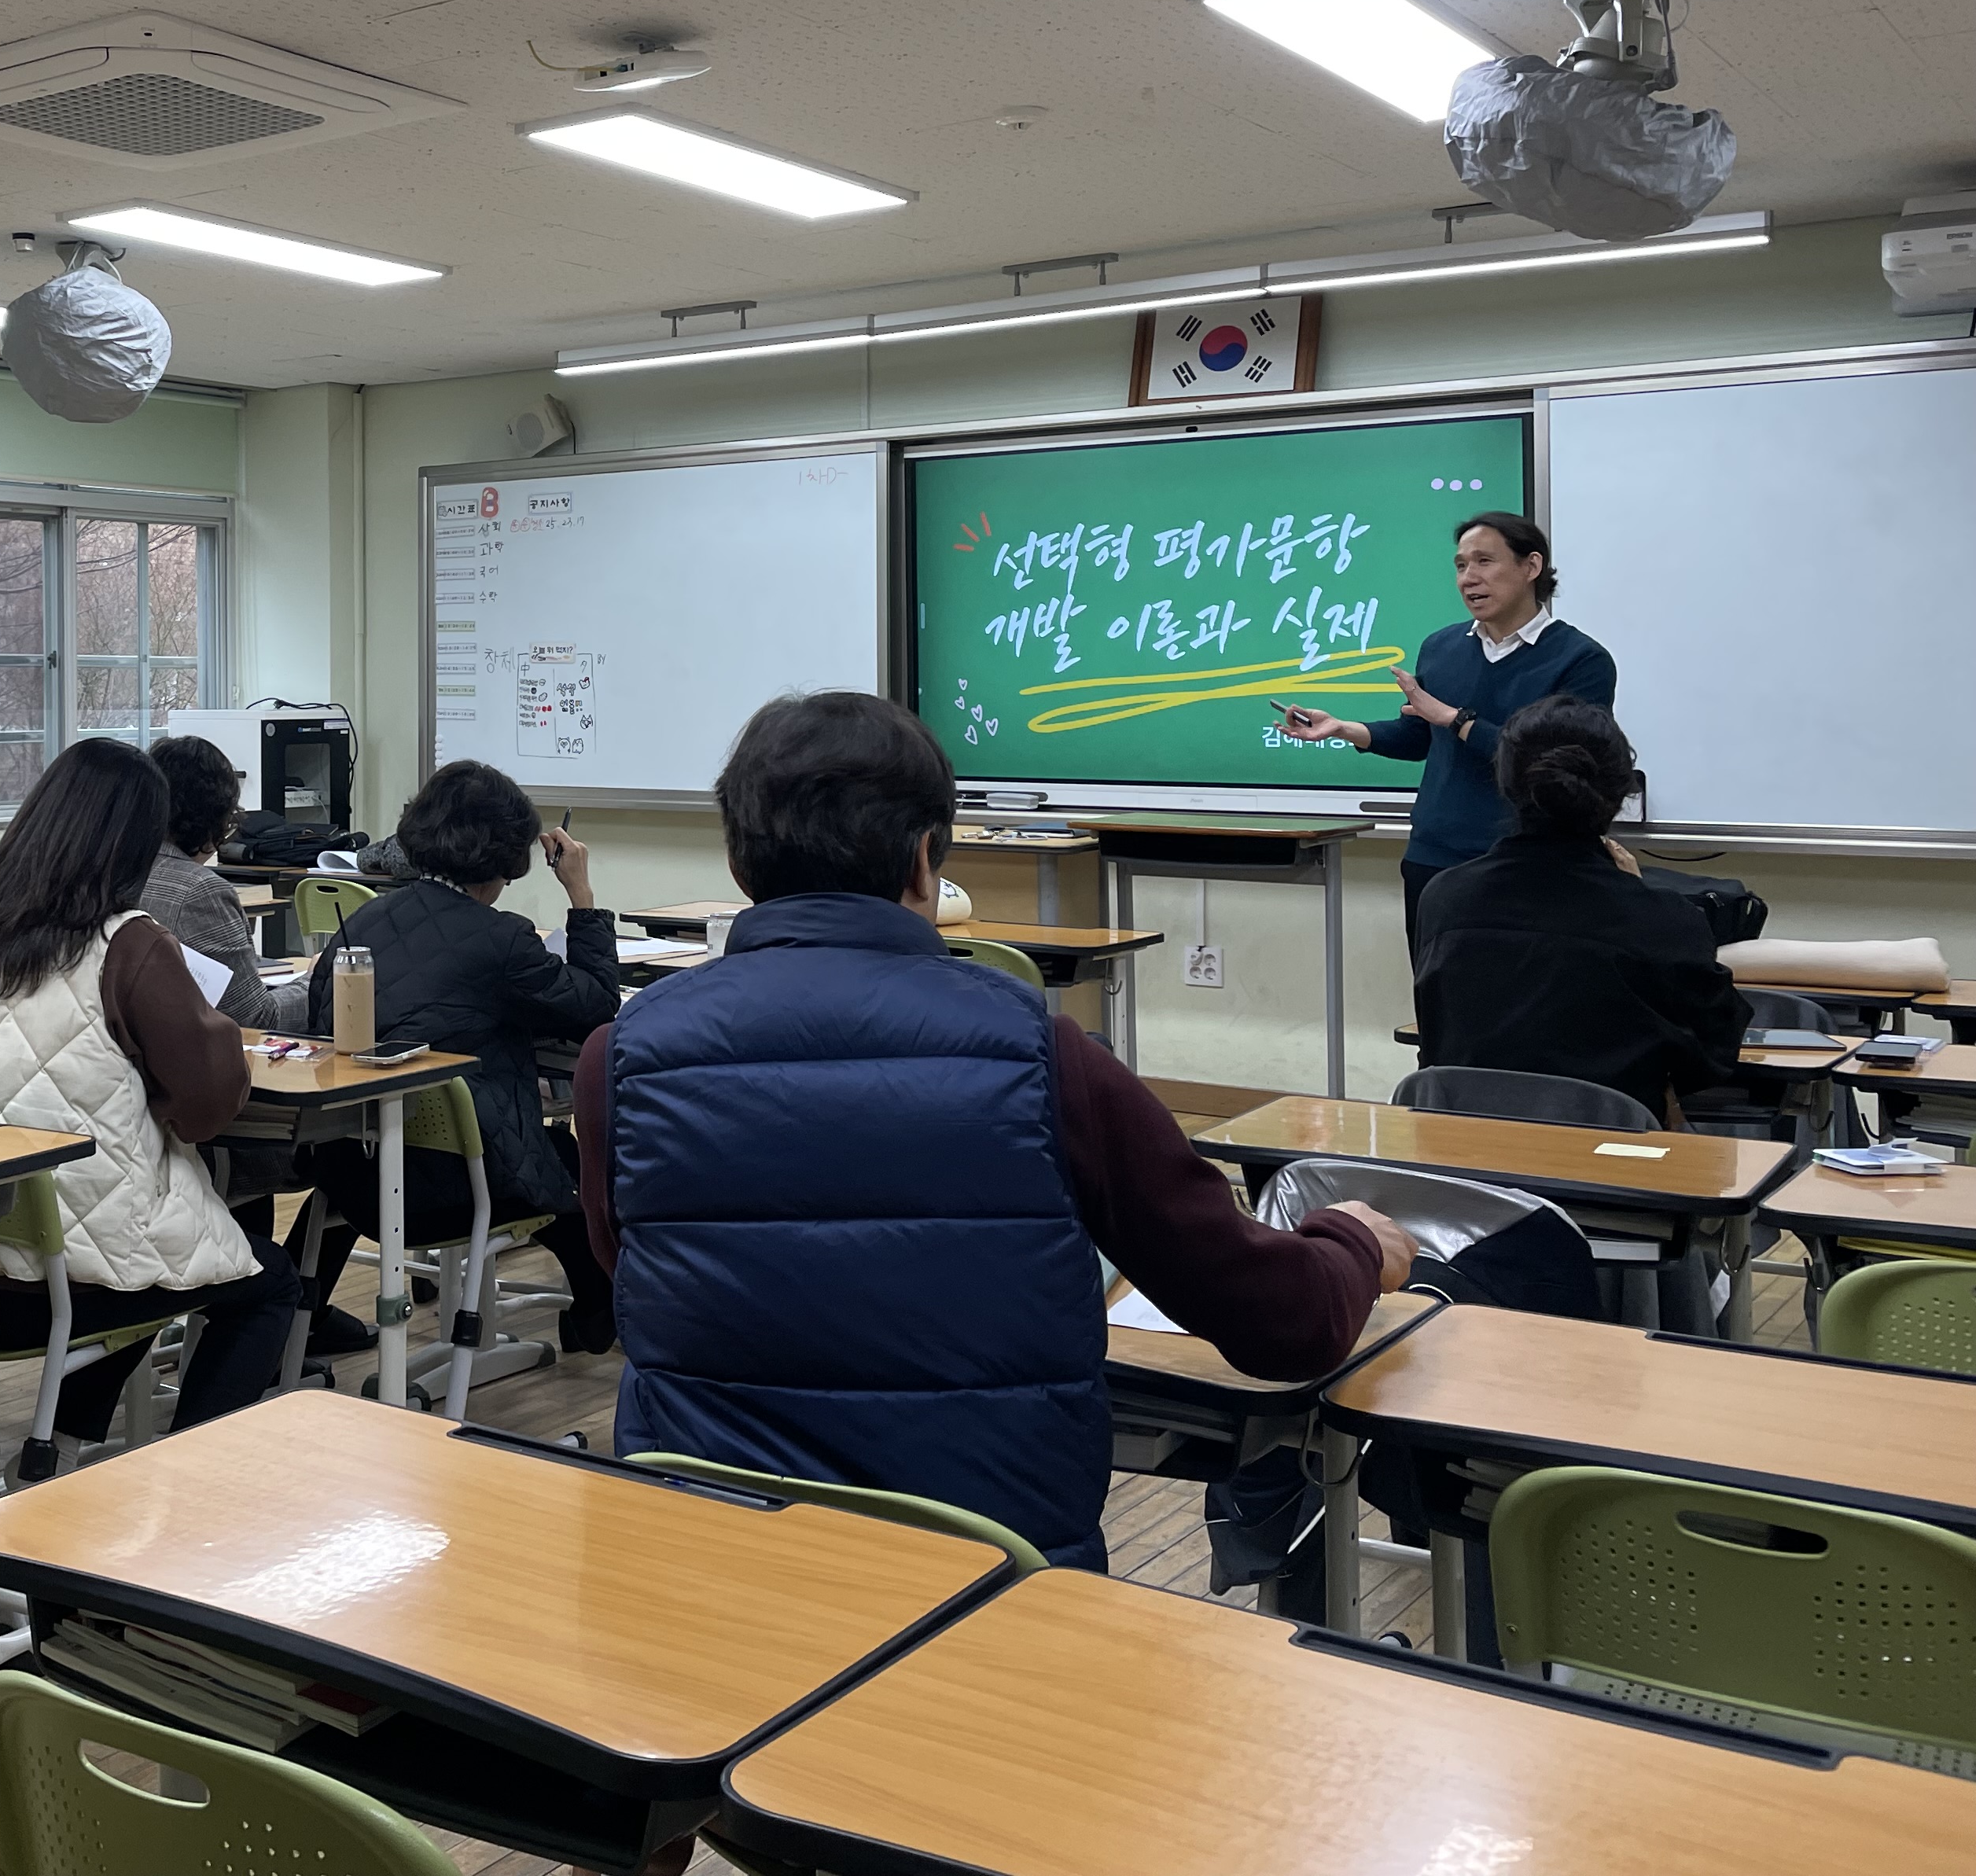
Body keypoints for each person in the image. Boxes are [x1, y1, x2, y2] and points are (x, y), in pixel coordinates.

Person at [576, 690, 1411, 1573]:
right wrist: (1352, 1242)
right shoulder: (1041, 1055)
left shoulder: (619, 1057)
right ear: (927, 857)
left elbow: (633, 1270)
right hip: (983, 1583)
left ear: (741, 862)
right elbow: (1280, 1324)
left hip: (704, 1566)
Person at [0, 738, 304, 1471]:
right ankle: (189, 1479)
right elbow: (206, 1110)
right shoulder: (129, 946)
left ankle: (71, 1446)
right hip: (73, 1279)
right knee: (257, 1284)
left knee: (153, 1261)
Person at [301, 759, 621, 1356]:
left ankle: (299, 1320)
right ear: (508, 854)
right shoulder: (501, 940)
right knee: (565, 1158)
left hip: (352, 1176)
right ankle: (597, 1320)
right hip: (454, 1190)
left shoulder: (358, 923)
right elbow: (597, 1007)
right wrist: (582, 896)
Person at [1278, 509, 1616, 941]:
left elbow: (1558, 765)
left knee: (1515, 1001)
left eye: (1484, 562)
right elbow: (1421, 736)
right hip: (1434, 857)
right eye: (1460, 565)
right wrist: (1345, 729)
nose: (1468, 578)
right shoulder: (1441, 648)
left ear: (1531, 566)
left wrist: (1456, 719)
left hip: (1529, 861)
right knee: (1436, 995)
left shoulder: (1581, 660)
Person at [1413, 696, 1747, 1124]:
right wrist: (1634, 892)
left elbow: (1441, 1037)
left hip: (1466, 1161)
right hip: (1610, 1171)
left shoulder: (1445, 896)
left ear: (1505, 782)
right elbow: (1711, 1059)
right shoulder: (1664, 917)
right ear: (1620, 789)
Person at [141, 734, 303, 1030]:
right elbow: (256, 1019)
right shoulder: (200, 891)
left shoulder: (120, 871)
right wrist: (317, 980)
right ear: (215, 816)